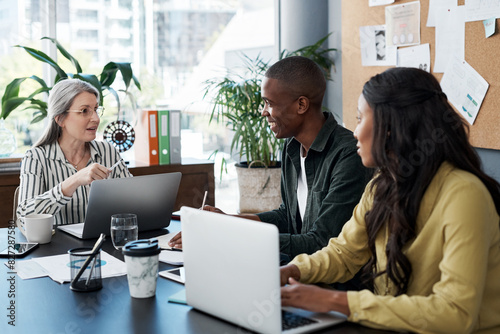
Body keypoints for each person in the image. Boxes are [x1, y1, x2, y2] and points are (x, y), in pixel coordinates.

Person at [280, 67, 500, 333]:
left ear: (391, 128)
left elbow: (454, 313)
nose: (355, 132)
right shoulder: (381, 185)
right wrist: (292, 271)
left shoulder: (465, 195)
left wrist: (336, 301)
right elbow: (345, 253)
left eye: (361, 119)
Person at [170, 56, 369, 267]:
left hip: (331, 286)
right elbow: (287, 217)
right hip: (294, 270)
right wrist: (225, 221)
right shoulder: (291, 147)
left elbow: (320, 243)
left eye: (269, 103)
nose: (263, 112)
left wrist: (227, 233)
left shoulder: (349, 155)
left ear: (301, 105)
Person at [17, 78, 132, 226]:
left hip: (105, 243)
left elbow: (133, 202)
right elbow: (24, 216)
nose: (96, 118)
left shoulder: (108, 151)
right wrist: (74, 181)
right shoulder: (35, 158)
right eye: (84, 111)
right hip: (58, 247)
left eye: (96, 109)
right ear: (60, 119)